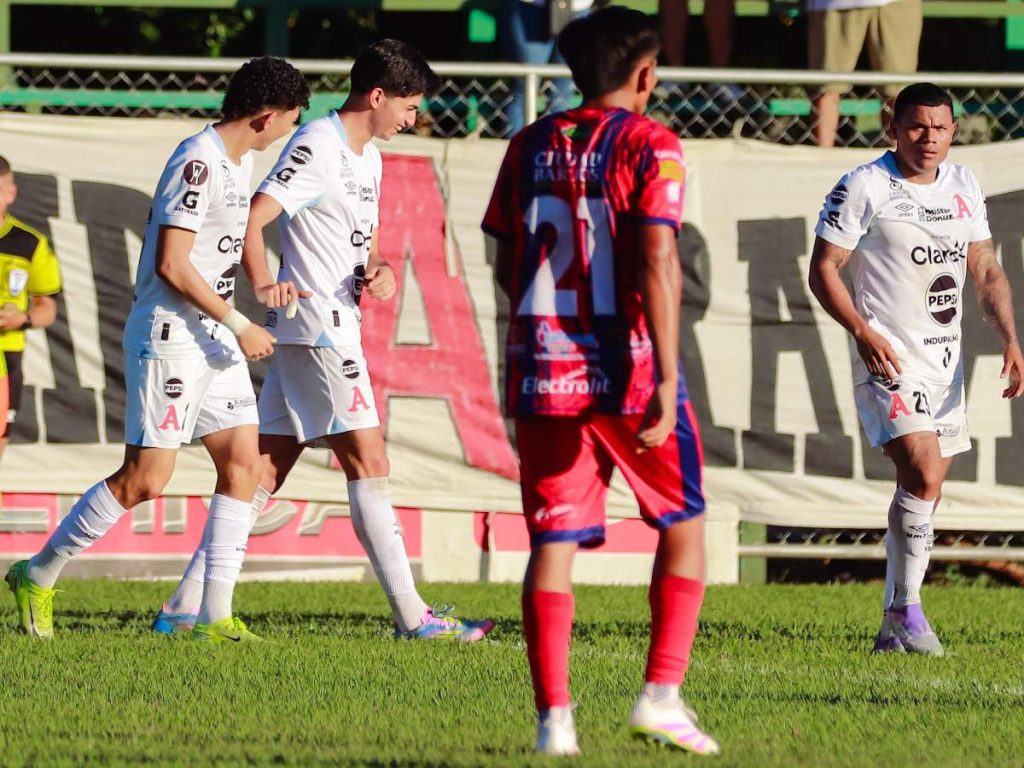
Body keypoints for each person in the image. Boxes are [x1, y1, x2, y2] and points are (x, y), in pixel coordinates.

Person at [151, 40, 495, 643]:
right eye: (409, 108)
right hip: (319, 331)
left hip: (328, 326)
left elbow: (366, 240)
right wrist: (264, 282)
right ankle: (415, 619)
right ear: (378, 96)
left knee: (261, 470)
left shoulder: (369, 157)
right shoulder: (317, 144)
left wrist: (380, 266)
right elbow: (255, 216)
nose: (413, 120)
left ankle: (183, 608)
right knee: (369, 461)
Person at [5, 57, 311, 641]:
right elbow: (172, 264)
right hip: (172, 337)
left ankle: (213, 618)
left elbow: (228, 239)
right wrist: (240, 320)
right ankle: (38, 574)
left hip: (211, 335)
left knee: (243, 466)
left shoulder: (234, 162)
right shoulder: (198, 161)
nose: (288, 133)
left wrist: (257, 286)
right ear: (266, 116)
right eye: (291, 122)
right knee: (145, 479)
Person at [482, 8, 719, 757]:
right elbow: (655, 257)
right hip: (629, 368)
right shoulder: (652, 143)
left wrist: (525, 343)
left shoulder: (526, 144)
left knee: (551, 541)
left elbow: (504, 257)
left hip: (546, 365)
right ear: (646, 74)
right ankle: (661, 695)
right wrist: (668, 373)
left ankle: (555, 722)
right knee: (683, 523)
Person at [809, 82, 1024, 655]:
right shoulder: (865, 184)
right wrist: (862, 331)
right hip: (889, 358)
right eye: (916, 126)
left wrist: (1009, 337)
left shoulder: (963, 184)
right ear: (893, 127)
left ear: (954, 131)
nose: (928, 137)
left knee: (922, 490)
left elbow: (983, 264)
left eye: (940, 127)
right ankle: (910, 610)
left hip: (944, 364)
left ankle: (892, 624)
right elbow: (824, 267)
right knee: (924, 471)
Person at [0, 156, 62, 462]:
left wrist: (21, 319)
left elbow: (47, 307)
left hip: (6, 355)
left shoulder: (29, 243)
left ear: (10, 193)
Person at [807, 0, 922, 147]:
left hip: (897, 4)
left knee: (898, 89)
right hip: (835, 4)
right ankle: (821, 160)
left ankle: (899, 164)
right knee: (827, 86)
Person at [499, 0, 592, 136]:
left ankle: (557, 150)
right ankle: (517, 151)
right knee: (523, 89)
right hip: (531, 7)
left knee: (563, 90)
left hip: (577, 8)